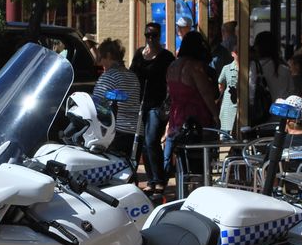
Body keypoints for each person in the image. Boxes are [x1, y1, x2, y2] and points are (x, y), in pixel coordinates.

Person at [163, 31, 218, 185]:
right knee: (199, 160)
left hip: (177, 117)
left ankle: (182, 190)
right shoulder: (194, 67)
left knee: (182, 159)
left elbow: (169, 93)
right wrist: (215, 115)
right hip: (196, 118)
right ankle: (199, 190)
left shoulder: (173, 66)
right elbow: (206, 93)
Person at [130, 22, 174, 194]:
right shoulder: (139, 54)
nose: (150, 38)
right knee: (142, 143)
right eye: (147, 35)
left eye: (154, 35)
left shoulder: (166, 56)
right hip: (141, 104)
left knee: (151, 141)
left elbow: (172, 80)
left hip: (157, 104)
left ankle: (159, 179)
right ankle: (151, 179)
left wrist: (169, 103)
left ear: (159, 35)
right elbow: (132, 73)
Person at [92, 39, 141, 157]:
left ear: (108, 56)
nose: (100, 63)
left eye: (101, 59)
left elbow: (95, 104)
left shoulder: (109, 77)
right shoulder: (132, 76)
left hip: (115, 132)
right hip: (137, 132)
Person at [249, 31, 292, 125]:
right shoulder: (285, 69)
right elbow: (291, 93)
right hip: (281, 116)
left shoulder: (254, 67)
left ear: (258, 47)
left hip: (261, 116)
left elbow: (251, 92)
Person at [216, 35, 240, 134]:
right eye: (238, 53)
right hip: (228, 104)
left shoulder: (248, 68)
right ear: (233, 54)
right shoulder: (226, 68)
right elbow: (220, 85)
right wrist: (216, 100)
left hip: (241, 107)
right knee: (225, 133)